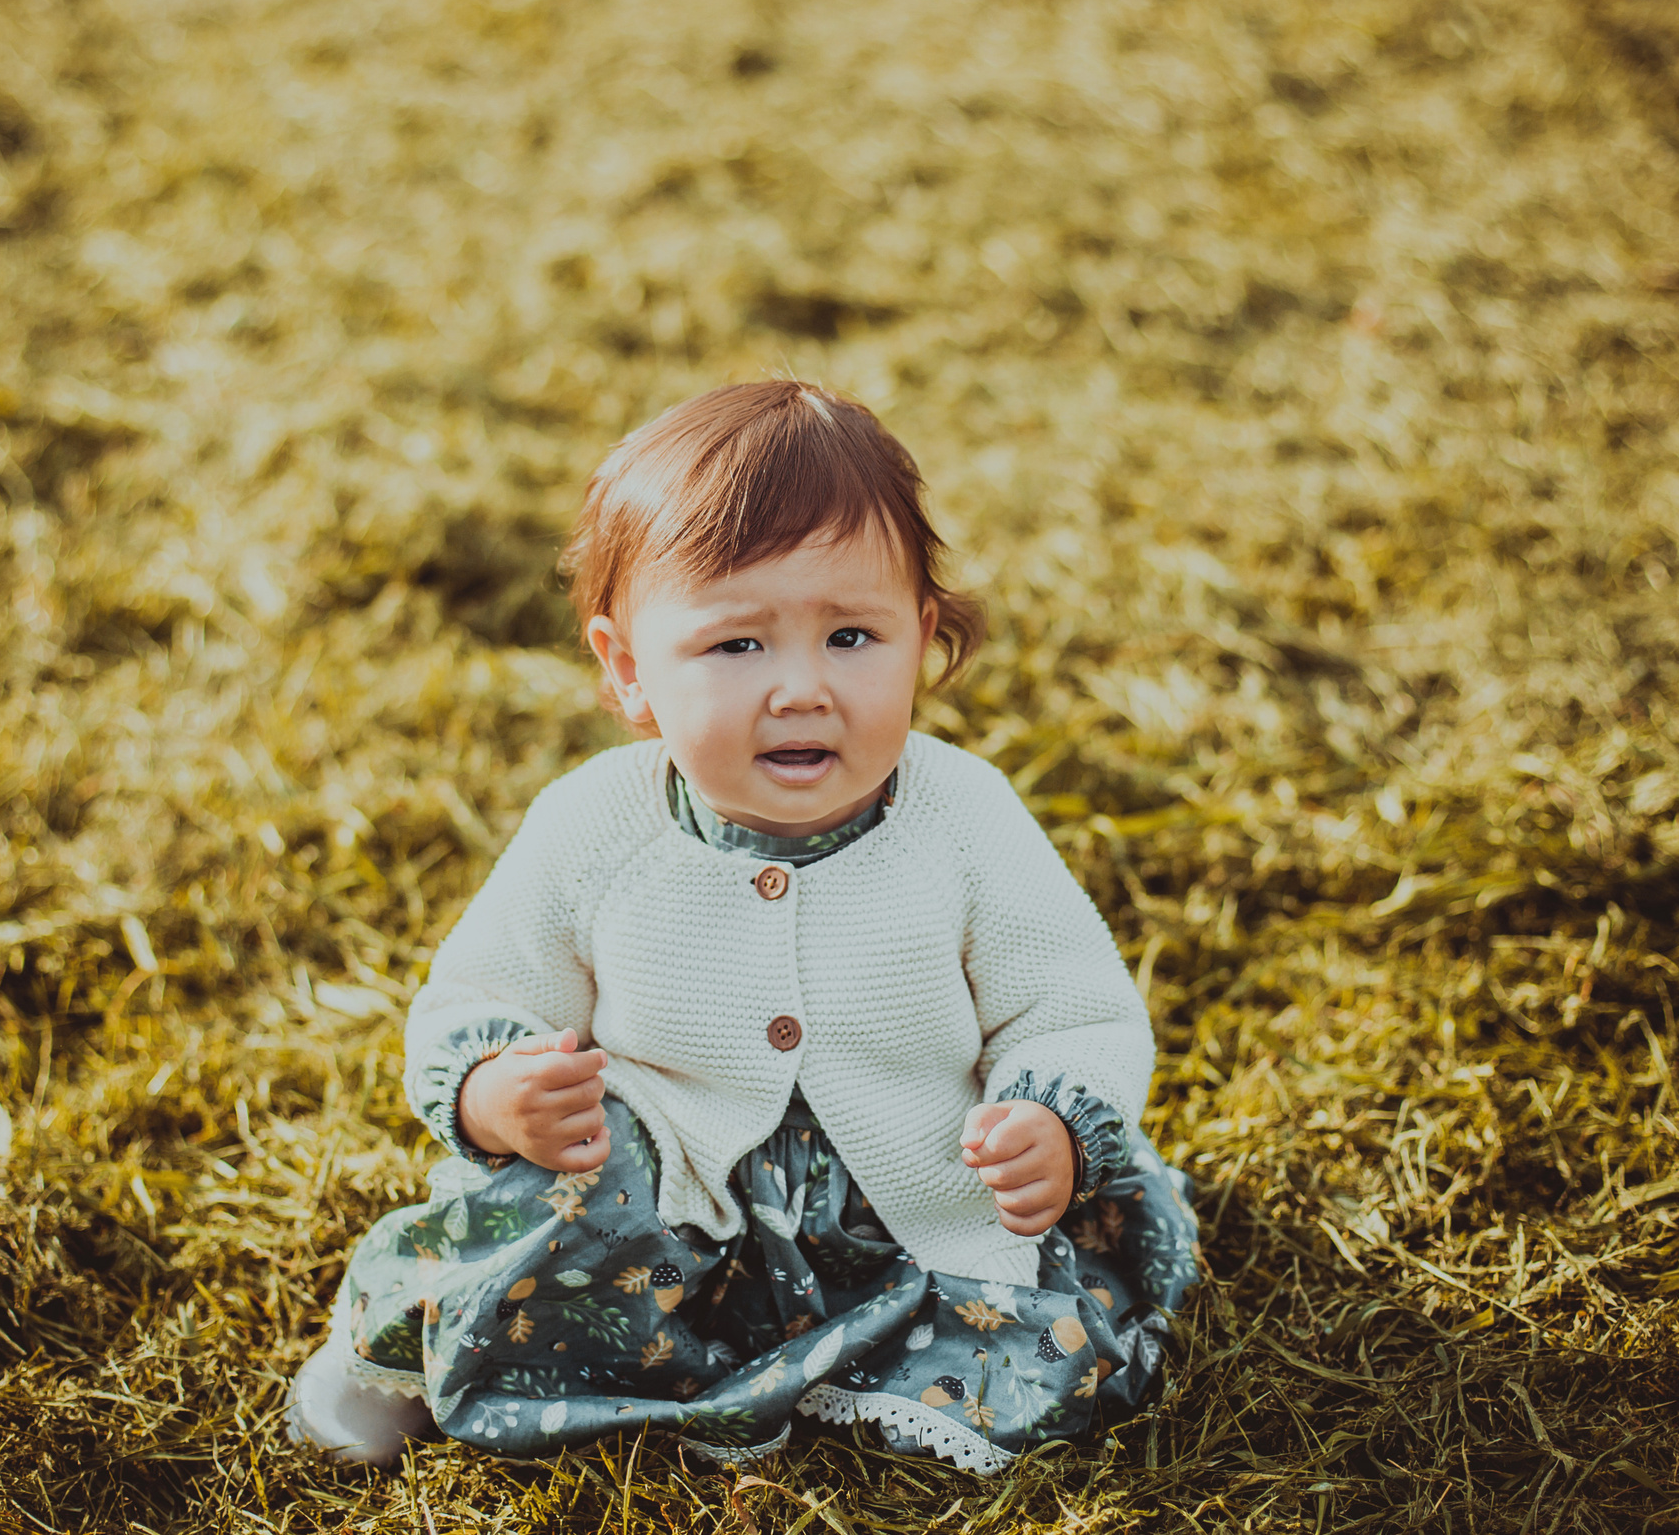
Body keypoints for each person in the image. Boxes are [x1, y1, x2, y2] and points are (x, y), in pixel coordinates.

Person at [285, 381, 1199, 1474]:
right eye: (737, 648)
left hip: (908, 1196)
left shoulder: (963, 820)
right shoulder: (595, 826)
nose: (802, 689)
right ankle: (404, 1345)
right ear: (628, 669)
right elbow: (483, 995)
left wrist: (1045, 1121)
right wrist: (491, 1091)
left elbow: (1071, 1005)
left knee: (1045, 1331)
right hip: (666, 1199)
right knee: (541, 1216)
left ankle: (880, 1358)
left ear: (922, 638)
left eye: (852, 636)